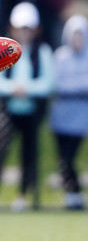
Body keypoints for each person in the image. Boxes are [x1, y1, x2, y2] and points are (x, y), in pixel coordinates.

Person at [0, 2, 54, 212]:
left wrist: (27, 89)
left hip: (32, 112)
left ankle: (23, 194)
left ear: (35, 30)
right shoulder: (1, 50)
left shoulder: (42, 52)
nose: (24, 32)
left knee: (29, 154)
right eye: (20, 28)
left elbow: (48, 82)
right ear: (12, 29)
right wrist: (12, 88)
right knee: (0, 151)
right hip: (7, 110)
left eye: (28, 28)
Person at [49, 14, 88, 210]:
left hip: (80, 117)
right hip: (61, 116)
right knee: (63, 159)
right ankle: (71, 193)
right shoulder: (60, 57)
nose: (77, 40)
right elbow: (55, 82)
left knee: (70, 157)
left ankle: (76, 192)